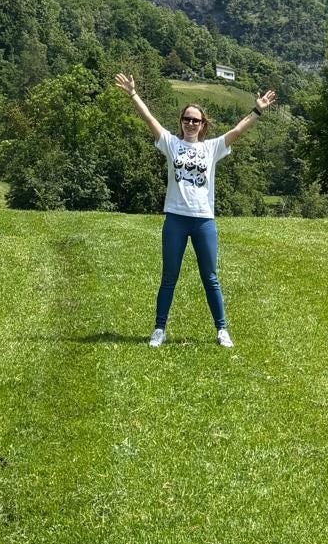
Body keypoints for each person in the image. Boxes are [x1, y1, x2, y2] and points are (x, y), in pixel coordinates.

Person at [114, 73, 276, 348]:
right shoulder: (171, 143)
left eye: (195, 120)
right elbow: (149, 119)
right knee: (169, 277)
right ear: (181, 122)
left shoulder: (211, 148)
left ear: (203, 125)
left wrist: (257, 110)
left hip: (203, 221)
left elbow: (237, 131)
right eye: (186, 119)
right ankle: (159, 329)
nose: (190, 123)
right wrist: (132, 94)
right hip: (175, 219)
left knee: (210, 278)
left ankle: (222, 330)